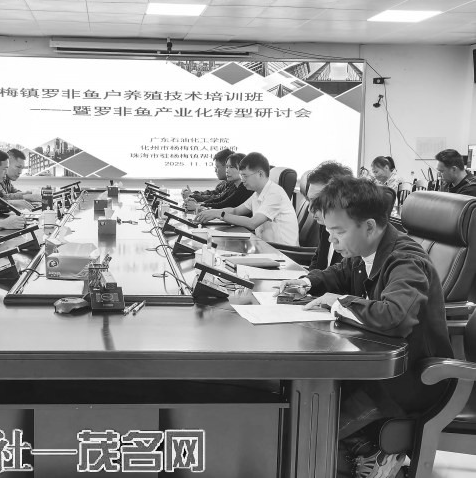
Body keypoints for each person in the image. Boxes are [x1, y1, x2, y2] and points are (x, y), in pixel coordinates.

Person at [276, 177, 452, 478]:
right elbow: (340, 273)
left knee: (307, 430)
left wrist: (339, 302)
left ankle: (374, 454)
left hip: (405, 381)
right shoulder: (366, 253)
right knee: (297, 410)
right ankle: (366, 451)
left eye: (338, 232)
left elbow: (395, 316)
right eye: (329, 231)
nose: (332, 241)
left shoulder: (406, 260)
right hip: (370, 370)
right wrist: (307, 282)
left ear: (369, 226)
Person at [194, 152, 299, 245]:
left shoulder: (275, 193)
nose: (242, 180)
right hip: (266, 247)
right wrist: (213, 212)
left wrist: (219, 214)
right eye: (241, 176)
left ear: (260, 174)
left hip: (284, 252)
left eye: (245, 176)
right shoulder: (257, 193)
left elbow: (252, 223)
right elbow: (235, 211)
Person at [305, 161, 353, 270]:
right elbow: (317, 261)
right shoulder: (325, 224)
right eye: (309, 200)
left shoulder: (354, 233)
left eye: (317, 201)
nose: (310, 209)